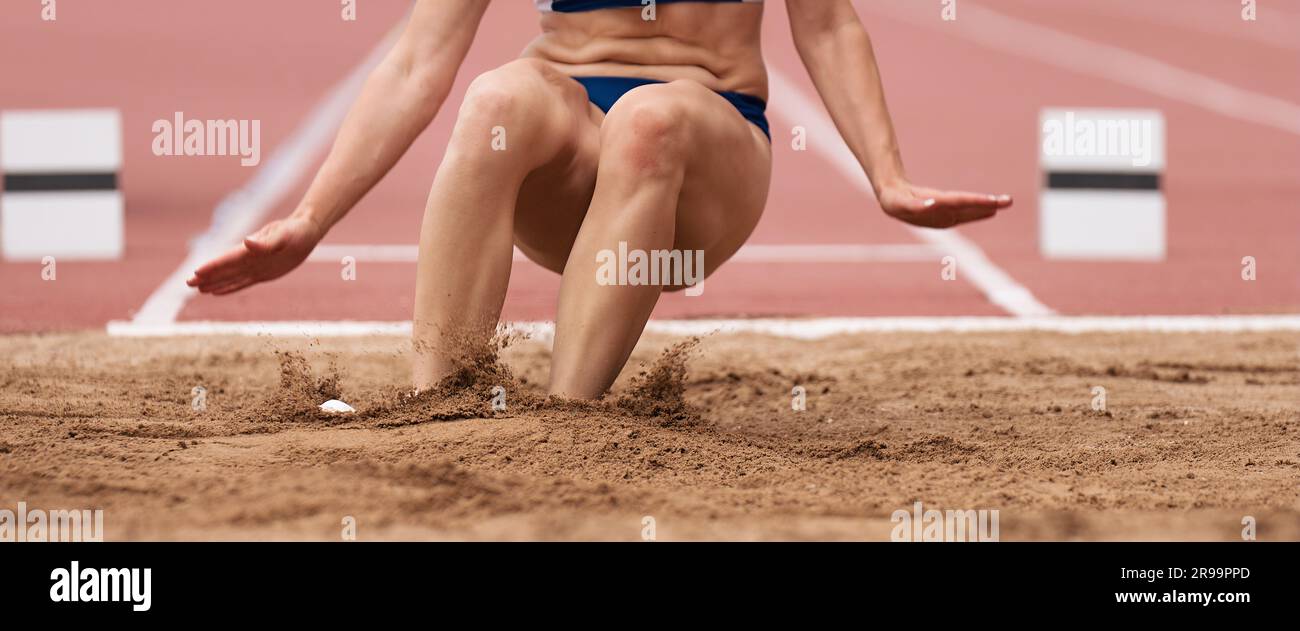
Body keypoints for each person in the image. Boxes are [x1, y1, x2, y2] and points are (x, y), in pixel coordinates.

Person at [186, 0, 1013, 399]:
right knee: (495, 102)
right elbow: (419, 57)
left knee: (649, 120)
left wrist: (887, 176)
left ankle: (567, 419)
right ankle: (438, 404)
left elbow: (828, 24)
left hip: (707, 149)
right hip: (567, 153)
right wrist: (310, 220)